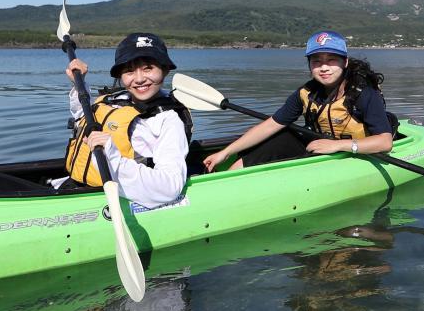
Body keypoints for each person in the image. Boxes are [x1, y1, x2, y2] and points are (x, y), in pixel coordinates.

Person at [202, 30, 393, 173]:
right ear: (309, 64)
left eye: (331, 60)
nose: (324, 67)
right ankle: (229, 177)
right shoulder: (306, 93)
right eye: (316, 61)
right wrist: (225, 152)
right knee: (280, 135)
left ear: (345, 63)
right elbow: (271, 125)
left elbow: (384, 142)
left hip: (358, 150)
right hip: (322, 147)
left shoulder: (364, 93)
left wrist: (338, 146)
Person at [64, 32, 193, 209]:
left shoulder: (169, 121)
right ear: (121, 76)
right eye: (129, 71)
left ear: (165, 70)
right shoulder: (118, 99)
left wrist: (111, 154)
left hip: (115, 196)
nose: (139, 79)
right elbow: (84, 117)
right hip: (76, 185)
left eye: (148, 68)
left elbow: (170, 188)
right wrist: (79, 83)